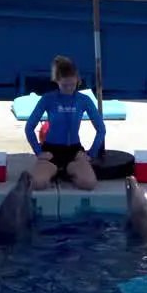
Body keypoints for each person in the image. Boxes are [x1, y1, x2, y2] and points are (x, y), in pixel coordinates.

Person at [24, 55, 104, 191]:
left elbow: (101, 129)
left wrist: (91, 153)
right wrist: (38, 152)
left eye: (72, 84)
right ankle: (54, 170)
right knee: (37, 184)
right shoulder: (48, 99)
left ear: (78, 81)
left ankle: (66, 172)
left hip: (74, 151)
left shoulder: (83, 100)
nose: (68, 88)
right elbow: (29, 127)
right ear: (56, 81)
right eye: (64, 85)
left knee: (89, 183)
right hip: (51, 151)